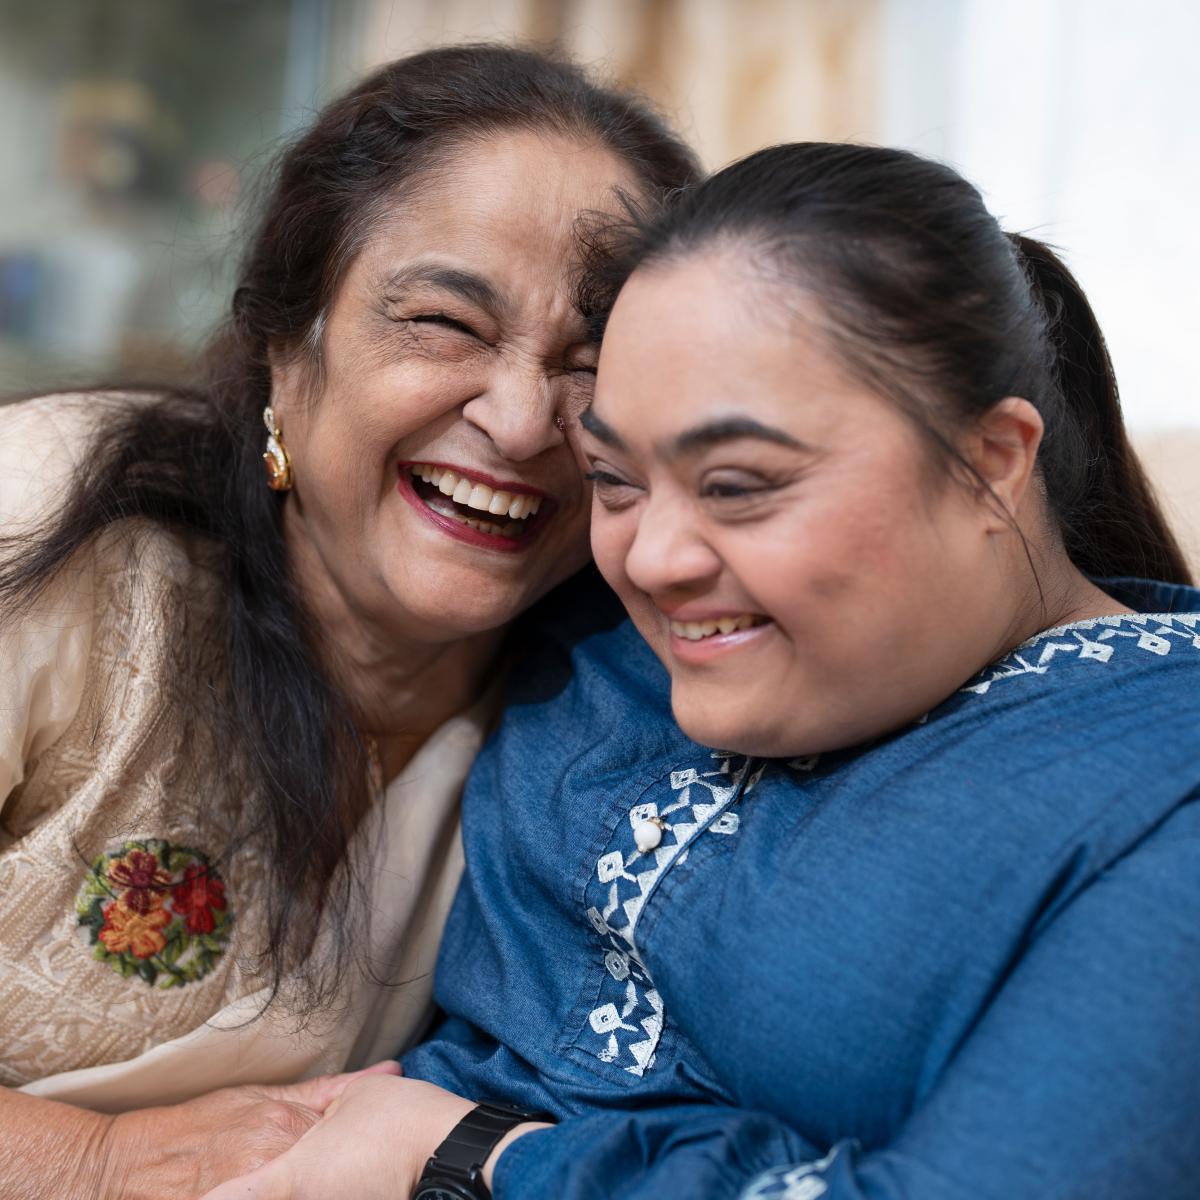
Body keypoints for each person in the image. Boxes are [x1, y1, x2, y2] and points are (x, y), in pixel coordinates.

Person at [204, 142, 1200, 1200]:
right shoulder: (597, 626)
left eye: (737, 485)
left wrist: (465, 1154)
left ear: (993, 461)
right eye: (615, 479)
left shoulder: (1156, 799)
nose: (655, 558)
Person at [0, 44, 698, 1199]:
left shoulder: (617, 703)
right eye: (445, 323)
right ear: (288, 344)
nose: (523, 422)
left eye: (594, 362)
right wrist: (95, 1161)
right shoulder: (46, 526)